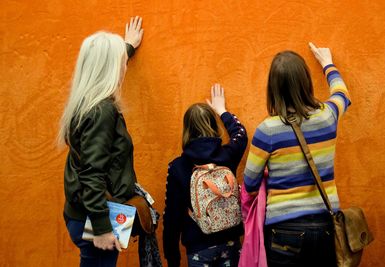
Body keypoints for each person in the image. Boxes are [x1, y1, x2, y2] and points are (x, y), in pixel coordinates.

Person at [243, 43, 351, 267]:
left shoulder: (267, 130)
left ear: (273, 87)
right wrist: (327, 63)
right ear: (305, 81)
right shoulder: (328, 116)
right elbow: (342, 93)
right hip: (325, 229)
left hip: (283, 232)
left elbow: (249, 183)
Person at [58, 17, 144, 266]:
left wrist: (127, 48)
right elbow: (92, 174)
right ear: (110, 67)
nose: (124, 66)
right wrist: (102, 228)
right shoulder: (103, 112)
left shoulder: (86, 102)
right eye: (120, 62)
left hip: (85, 214)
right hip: (97, 217)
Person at [163, 84, 248, 267]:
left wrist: (173, 258)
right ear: (213, 124)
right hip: (231, 242)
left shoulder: (178, 167)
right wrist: (222, 110)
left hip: (198, 248)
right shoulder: (227, 155)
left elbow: (172, 217)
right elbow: (241, 135)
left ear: (186, 130)